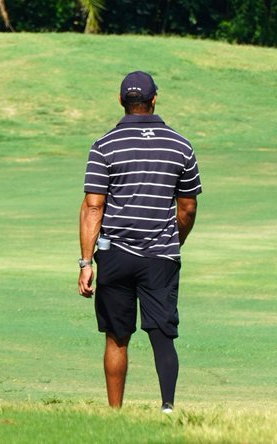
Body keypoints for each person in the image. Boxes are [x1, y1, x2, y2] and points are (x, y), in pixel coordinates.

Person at [78, 71, 201, 413]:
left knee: (117, 336)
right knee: (162, 332)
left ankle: (115, 413)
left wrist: (86, 262)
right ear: (154, 100)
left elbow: (93, 207)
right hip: (161, 255)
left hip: (114, 254)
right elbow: (188, 207)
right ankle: (167, 408)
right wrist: (174, 241)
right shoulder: (181, 144)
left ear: (121, 102)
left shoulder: (104, 145)